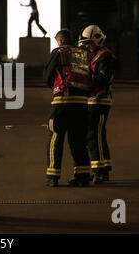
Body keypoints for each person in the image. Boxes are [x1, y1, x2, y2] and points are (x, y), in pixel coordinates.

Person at [43, 29, 92, 187]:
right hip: (82, 103)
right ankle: (83, 175)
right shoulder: (84, 54)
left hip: (62, 101)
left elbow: (47, 75)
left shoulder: (59, 52)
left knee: (56, 138)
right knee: (78, 140)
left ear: (60, 40)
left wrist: (55, 88)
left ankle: (53, 175)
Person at [79, 25, 116, 184]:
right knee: (94, 135)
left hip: (100, 100)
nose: (87, 46)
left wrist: (83, 82)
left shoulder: (105, 56)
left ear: (97, 39)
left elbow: (103, 78)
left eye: (89, 43)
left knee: (96, 135)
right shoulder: (95, 55)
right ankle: (101, 169)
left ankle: (100, 172)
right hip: (93, 100)